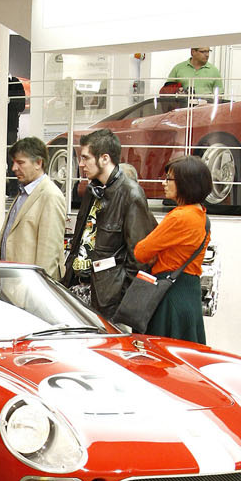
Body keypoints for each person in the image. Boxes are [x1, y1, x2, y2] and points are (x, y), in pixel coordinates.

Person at [64, 130, 155, 312]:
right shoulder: (93, 190)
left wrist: (120, 297)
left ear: (104, 158)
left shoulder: (131, 194)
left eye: (86, 158)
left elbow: (140, 257)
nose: (81, 164)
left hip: (107, 299)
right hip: (77, 288)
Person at [123, 154, 211, 343]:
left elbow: (141, 251)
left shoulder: (178, 217)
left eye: (169, 179)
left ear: (186, 183)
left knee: (160, 358)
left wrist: (156, 254)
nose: (164, 183)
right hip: (190, 293)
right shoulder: (203, 217)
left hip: (168, 295)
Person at [0, 136, 65, 278]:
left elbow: (49, 255)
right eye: (13, 162)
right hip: (13, 282)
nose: (14, 168)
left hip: (30, 288)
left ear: (38, 163)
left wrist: (38, 291)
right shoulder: (24, 192)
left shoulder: (50, 196)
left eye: (20, 163)